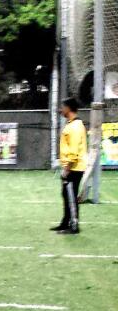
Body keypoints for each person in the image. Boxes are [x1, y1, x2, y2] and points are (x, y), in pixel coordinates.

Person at [54, 98, 87, 234]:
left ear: (69, 108)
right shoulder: (72, 124)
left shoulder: (75, 127)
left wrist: (67, 169)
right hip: (71, 166)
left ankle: (74, 226)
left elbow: (74, 151)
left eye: (63, 107)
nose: (61, 110)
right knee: (66, 194)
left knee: (71, 196)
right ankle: (65, 222)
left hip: (74, 167)